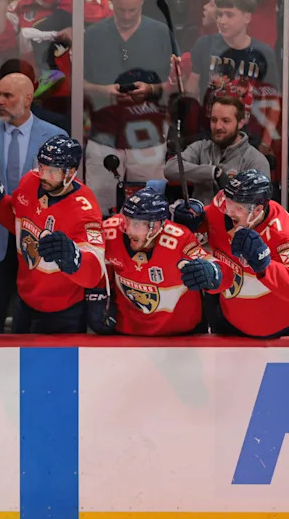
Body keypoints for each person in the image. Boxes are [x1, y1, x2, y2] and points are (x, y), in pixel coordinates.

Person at [0, 135, 105, 333]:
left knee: (53, 365)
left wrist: (76, 258)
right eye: (41, 167)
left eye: (52, 171)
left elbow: (95, 270)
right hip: (24, 300)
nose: (43, 176)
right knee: (16, 363)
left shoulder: (85, 210)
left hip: (63, 311)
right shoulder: (30, 181)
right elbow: (17, 224)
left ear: (71, 172)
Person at [0, 72, 66, 333]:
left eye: (8, 95)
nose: (0, 101)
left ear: (28, 99)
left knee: (32, 317)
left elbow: (65, 195)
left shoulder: (55, 136)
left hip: (37, 237)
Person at [87, 186, 224, 336]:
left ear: (156, 226)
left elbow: (209, 262)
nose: (128, 230)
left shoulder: (179, 238)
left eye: (137, 224)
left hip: (179, 335)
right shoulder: (111, 231)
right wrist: (97, 295)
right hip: (128, 331)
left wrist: (211, 271)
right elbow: (96, 266)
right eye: (126, 220)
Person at [83, 0, 175, 214]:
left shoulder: (160, 32)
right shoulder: (93, 35)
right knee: (99, 209)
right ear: (111, 0)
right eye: (121, 9)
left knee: (149, 209)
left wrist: (151, 89)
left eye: (132, 10)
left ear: (143, 0)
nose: (125, 16)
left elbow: (176, 84)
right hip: (103, 133)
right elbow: (78, 84)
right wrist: (104, 91)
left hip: (148, 136)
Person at [171, 169, 289, 338]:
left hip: (278, 333)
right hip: (228, 322)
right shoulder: (221, 210)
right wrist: (194, 218)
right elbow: (205, 223)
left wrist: (265, 265)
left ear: (257, 210)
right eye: (228, 203)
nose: (229, 211)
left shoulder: (282, 233)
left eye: (237, 208)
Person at [181, 0, 279, 120]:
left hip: (249, 132)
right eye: (220, 15)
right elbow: (191, 92)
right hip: (209, 129)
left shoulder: (263, 53)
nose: (222, 21)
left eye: (229, 15)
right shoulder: (204, 44)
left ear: (247, 18)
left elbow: (273, 102)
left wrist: (265, 140)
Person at [163, 95, 270, 204]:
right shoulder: (201, 148)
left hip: (234, 219)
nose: (218, 126)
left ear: (240, 123)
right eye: (214, 120)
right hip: (200, 218)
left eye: (225, 121)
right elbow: (170, 169)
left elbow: (258, 207)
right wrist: (213, 172)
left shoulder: (255, 160)